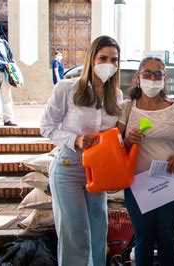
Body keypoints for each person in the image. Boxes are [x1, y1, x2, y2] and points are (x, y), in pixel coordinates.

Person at [40, 35, 122, 265]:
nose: (109, 64)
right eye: (103, 58)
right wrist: (75, 139)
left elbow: (115, 136)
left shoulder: (116, 96)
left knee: (98, 231)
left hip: (99, 172)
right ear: (91, 59)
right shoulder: (67, 88)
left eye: (114, 60)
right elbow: (46, 128)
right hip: (68, 168)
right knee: (75, 233)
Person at [118, 57, 174, 265]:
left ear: (164, 78)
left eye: (158, 74)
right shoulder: (127, 108)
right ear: (138, 77)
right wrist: (127, 140)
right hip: (137, 185)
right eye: (147, 73)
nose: (153, 78)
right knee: (143, 239)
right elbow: (114, 147)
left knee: (166, 239)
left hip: (170, 182)